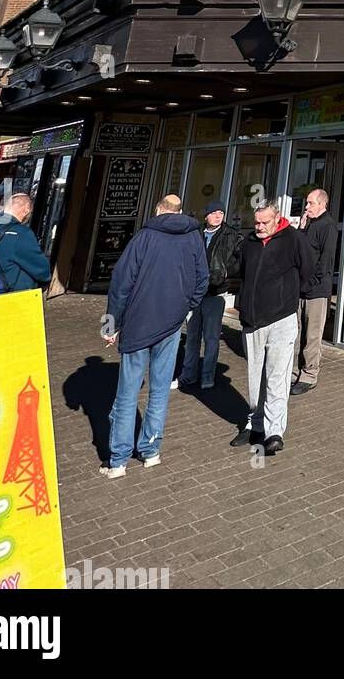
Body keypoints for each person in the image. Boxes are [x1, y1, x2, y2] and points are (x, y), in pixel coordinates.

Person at [100, 195, 208, 478]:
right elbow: (202, 278)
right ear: (180, 211)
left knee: (127, 393)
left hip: (138, 323)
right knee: (159, 390)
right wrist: (186, 306)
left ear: (158, 209)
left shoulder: (144, 237)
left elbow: (121, 284)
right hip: (171, 325)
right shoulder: (193, 237)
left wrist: (111, 323)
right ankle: (151, 451)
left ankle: (118, 460)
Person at [232, 203, 305, 456]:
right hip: (252, 321)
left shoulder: (293, 239)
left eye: (265, 222)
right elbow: (242, 272)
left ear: (277, 219)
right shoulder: (250, 243)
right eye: (257, 222)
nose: (260, 227)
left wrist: (289, 297)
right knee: (255, 377)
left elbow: (308, 270)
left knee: (277, 376)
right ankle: (255, 423)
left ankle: (275, 432)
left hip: (281, 318)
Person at [179, 202, 241, 391]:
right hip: (195, 292)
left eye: (221, 212)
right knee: (192, 336)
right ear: (206, 216)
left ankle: (208, 376)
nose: (218, 216)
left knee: (211, 337)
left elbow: (238, 260)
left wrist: (224, 273)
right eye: (214, 213)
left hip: (215, 292)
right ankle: (188, 375)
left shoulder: (231, 235)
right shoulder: (195, 233)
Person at [292, 188, 338, 397]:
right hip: (302, 288)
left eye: (310, 203)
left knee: (312, 335)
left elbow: (325, 261)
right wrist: (301, 230)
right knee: (297, 332)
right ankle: (294, 372)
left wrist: (311, 283)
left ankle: (309, 375)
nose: (306, 207)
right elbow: (301, 251)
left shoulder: (327, 226)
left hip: (316, 291)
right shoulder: (309, 225)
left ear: (321, 204)